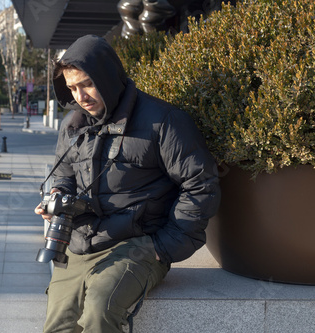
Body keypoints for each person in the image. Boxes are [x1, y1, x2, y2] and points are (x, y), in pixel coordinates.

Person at [35, 34, 220, 333]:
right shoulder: (73, 124)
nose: (80, 96)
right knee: (58, 325)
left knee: (99, 312)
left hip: (137, 245)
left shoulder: (164, 120)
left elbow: (200, 185)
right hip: (80, 243)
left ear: (107, 77)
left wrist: (164, 246)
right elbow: (65, 175)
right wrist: (57, 196)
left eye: (86, 84)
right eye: (72, 88)